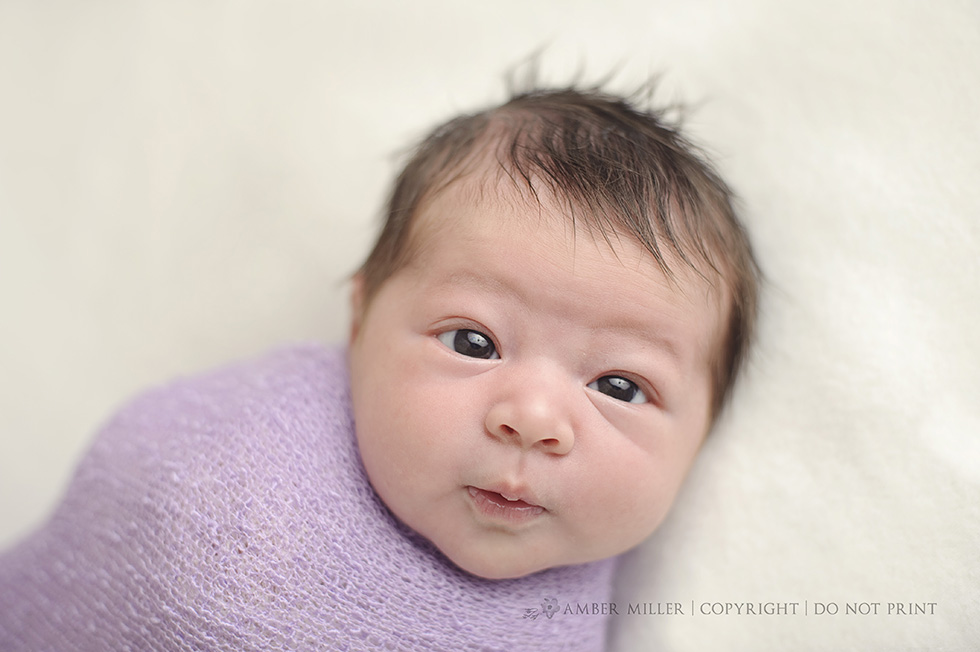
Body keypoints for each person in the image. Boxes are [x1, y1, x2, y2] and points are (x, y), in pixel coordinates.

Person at [0, 83, 759, 650]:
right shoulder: (238, 467)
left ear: (704, 431)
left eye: (620, 387)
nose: (532, 419)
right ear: (360, 320)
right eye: (472, 342)